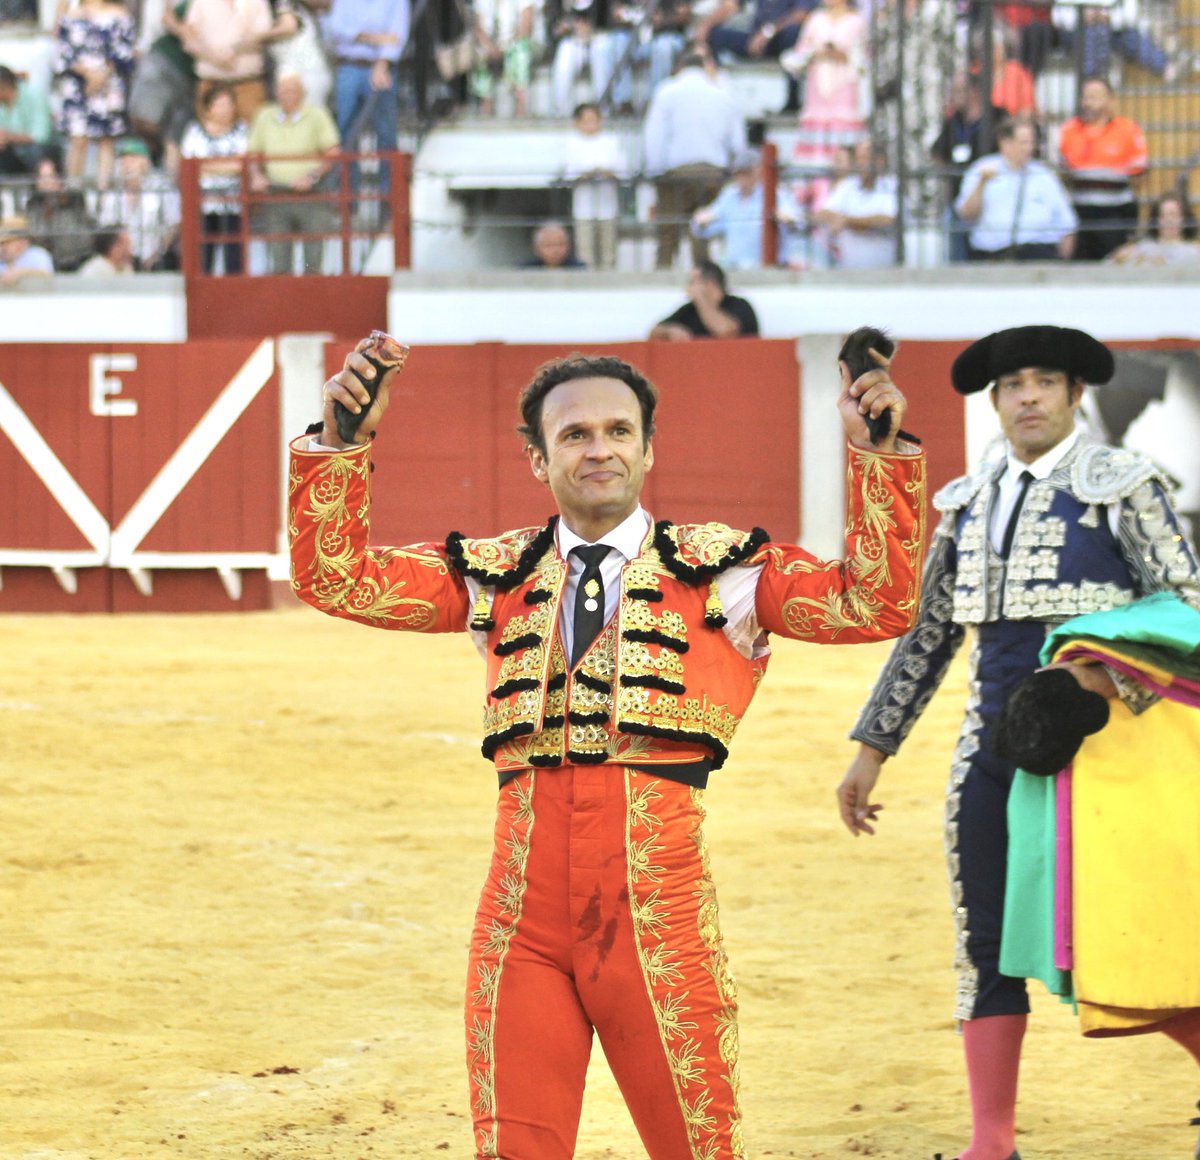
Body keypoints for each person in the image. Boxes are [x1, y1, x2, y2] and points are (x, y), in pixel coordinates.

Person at [289, 338, 927, 1160]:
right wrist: (342, 443)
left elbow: (874, 602)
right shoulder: (497, 574)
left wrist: (875, 456)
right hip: (520, 920)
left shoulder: (723, 573)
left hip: (656, 913)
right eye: (575, 435)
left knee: (696, 1147)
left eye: (619, 431)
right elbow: (337, 578)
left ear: (648, 447)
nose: (600, 449)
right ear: (536, 458)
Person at [837, 323, 1200, 1160]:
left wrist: (1096, 680)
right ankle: (991, 1141)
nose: (1027, 397)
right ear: (993, 401)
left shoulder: (1122, 485)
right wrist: (871, 749)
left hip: (1101, 755)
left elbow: (1182, 609)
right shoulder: (967, 501)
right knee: (984, 940)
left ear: (1077, 396)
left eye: (1044, 382)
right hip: (988, 753)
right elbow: (927, 636)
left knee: (1122, 933)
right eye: (1012, 386)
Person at [642, 49, 747, 269]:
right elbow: (737, 142)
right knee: (702, 231)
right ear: (704, 68)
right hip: (713, 172)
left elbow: (654, 135)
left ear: (680, 67)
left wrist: (654, 170)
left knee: (668, 232)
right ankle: (705, 278)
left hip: (676, 172)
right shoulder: (722, 93)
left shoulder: (667, 91)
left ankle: (663, 276)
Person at [246, 70, 340, 274]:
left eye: (293, 90)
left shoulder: (317, 114)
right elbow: (253, 152)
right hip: (275, 193)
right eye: (283, 90)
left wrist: (312, 177)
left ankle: (312, 303)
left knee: (313, 260)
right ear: (276, 93)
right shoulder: (264, 115)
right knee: (278, 260)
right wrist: (256, 175)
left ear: (303, 93)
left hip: (312, 194)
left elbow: (332, 152)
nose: (288, 94)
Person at [955, 117, 1076, 261]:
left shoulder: (1044, 175)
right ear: (1005, 143)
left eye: (1031, 142)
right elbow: (966, 215)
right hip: (993, 255)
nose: (1029, 148)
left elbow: (1067, 223)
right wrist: (982, 183)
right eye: (1023, 143)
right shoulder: (982, 169)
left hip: (1038, 253)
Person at [1057, 75, 1147, 262]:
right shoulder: (1068, 130)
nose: (1088, 103)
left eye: (1094, 97)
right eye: (1085, 97)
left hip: (1113, 214)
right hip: (1078, 213)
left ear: (1110, 100)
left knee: (1114, 266)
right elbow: (1062, 173)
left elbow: (1139, 176)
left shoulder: (1128, 130)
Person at [53, 0, 137, 189]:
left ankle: (103, 195)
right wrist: (87, 75)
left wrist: (101, 76)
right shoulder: (72, 14)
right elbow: (63, 52)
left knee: (106, 139)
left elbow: (124, 52)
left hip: (108, 84)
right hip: (78, 84)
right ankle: (73, 194)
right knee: (77, 139)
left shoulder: (120, 14)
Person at [931, 71, 1007, 262]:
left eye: (958, 91)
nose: (953, 96)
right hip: (960, 198)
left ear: (973, 92)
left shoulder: (997, 116)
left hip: (991, 199)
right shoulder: (953, 121)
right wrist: (948, 175)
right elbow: (937, 152)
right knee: (956, 244)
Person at [323, 0, 409, 167]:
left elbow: (397, 35)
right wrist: (374, 38)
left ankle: (386, 191)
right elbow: (336, 29)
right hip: (349, 66)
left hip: (382, 67)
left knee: (385, 131)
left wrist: (382, 63)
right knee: (346, 129)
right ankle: (348, 191)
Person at [690, 147, 800, 270]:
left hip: (767, 269)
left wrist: (786, 219)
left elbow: (796, 221)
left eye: (747, 172)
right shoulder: (729, 196)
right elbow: (705, 227)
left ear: (758, 171)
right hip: (735, 269)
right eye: (739, 173)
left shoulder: (775, 194)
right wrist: (701, 221)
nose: (742, 178)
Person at [180, 82, 249, 275]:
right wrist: (226, 166)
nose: (226, 110)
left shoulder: (241, 131)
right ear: (208, 108)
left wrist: (209, 166)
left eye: (229, 104)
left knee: (233, 260)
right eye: (220, 105)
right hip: (203, 204)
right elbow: (190, 167)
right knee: (203, 260)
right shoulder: (194, 132)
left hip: (233, 204)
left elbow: (241, 165)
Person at [700, 0, 816, 113]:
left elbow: (801, 14)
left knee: (793, 32)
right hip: (755, 39)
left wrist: (768, 32)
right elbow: (730, 5)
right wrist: (705, 26)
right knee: (715, 35)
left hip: (781, 38)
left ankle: (792, 98)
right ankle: (717, 91)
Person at [125, 0, 196, 178]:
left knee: (174, 139)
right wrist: (186, 34)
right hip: (164, 60)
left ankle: (167, 185)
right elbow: (167, 19)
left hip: (193, 78)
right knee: (144, 119)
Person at [96, 136, 181, 270]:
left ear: (146, 162)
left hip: (153, 257)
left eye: (133, 158)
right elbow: (106, 227)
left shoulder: (161, 188)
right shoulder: (112, 194)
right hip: (120, 260)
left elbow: (174, 224)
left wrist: (157, 254)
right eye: (123, 159)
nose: (127, 164)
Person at [184, 0, 273, 124]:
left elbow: (264, 37)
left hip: (248, 85)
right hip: (211, 86)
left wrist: (235, 49)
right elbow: (189, 41)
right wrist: (214, 57)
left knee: (253, 136)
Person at [815, 136, 897, 269]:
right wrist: (841, 220)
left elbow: (888, 218)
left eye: (864, 158)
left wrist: (848, 221)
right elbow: (823, 213)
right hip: (849, 273)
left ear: (879, 161)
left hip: (884, 275)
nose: (859, 164)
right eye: (857, 158)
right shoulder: (847, 186)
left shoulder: (892, 185)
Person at [562, 102, 623, 271]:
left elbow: (622, 170)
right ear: (578, 122)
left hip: (607, 204)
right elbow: (569, 173)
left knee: (608, 252)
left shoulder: (610, 142)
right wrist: (585, 174)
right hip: (584, 206)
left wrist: (607, 173)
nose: (591, 124)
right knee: (585, 253)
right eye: (586, 120)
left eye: (594, 120)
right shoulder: (572, 143)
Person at [21, 154, 98, 273]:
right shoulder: (32, 205)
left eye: (51, 176)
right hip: (44, 262)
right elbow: (32, 234)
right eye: (41, 177)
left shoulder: (74, 200)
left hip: (76, 259)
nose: (46, 182)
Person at [648, 258, 757, 339]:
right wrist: (669, 331)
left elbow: (725, 331)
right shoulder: (689, 310)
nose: (688, 288)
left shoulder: (739, 305)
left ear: (710, 283)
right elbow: (653, 332)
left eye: (692, 282)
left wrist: (701, 298)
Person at [1107, 189, 1200, 267]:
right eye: (1163, 215)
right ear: (1156, 219)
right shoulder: (1142, 249)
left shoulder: (1194, 252)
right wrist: (1118, 259)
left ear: (1184, 218)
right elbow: (1104, 267)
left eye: (1174, 215)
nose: (1169, 220)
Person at [0, 64, 53, 175]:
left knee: (41, 157)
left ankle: (49, 189)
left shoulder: (35, 96)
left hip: (40, 152)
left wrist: (8, 136)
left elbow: (40, 136)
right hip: (9, 153)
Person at [0, 213, 55, 285]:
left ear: (22, 242)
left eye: (7, 242)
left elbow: (47, 275)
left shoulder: (37, 255)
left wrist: (21, 273)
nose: (2, 248)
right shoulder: (2, 261)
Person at [519, 219, 586, 268]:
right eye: (549, 245)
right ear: (536, 248)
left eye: (561, 244)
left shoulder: (579, 269)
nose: (556, 250)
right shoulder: (526, 270)